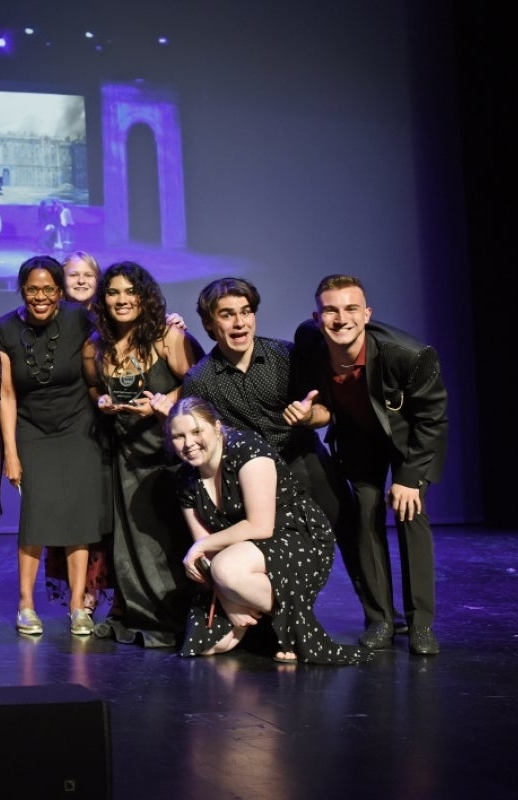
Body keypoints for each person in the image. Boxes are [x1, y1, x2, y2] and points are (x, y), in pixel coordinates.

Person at [286, 275, 448, 656]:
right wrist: (309, 415)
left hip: (407, 440)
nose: (341, 319)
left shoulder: (407, 354)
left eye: (351, 309)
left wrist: (409, 478)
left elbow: (433, 419)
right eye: (331, 310)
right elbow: (322, 406)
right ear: (317, 316)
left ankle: (421, 624)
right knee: (365, 514)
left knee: (411, 515)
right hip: (359, 439)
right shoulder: (309, 341)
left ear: (367, 314)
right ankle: (381, 619)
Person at [182, 277, 354, 603]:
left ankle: (382, 618)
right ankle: (289, 615)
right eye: (227, 314)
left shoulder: (285, 355)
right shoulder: (200, 379)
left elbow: (326, 411)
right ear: (209, 323)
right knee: (273, 551)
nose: (239, 322)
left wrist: (308, 416)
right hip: (257, 482)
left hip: (304, 460)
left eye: (246, 312)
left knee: (350, 533)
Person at [167, 397, 372, 665]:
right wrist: (228, 600)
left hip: (292, 536)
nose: (189, 443)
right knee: (207, 644)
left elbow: (260, 525)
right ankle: (267, 618)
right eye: (178, 436)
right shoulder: (186, 479)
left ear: (216, 427)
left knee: (226, 569)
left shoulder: (247, 449)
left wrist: (203, 552)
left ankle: (293, 628)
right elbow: (204, 548)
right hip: (240, 555)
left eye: (196, 431)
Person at [84, 262, 204, 647]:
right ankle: (143, 614)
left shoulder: (168, 336)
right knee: (134, 540)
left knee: (169, 537)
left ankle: (181, 616)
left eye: (130, 292)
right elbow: (91, 387)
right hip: (128, 453)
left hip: (169, 454)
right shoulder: (96, 346)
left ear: (144, 296)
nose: (122, 300)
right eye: (113, 292)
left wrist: (167, 401)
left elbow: (199, 380)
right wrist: (101, 401)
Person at [0, 255, 107, 636]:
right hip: (31, 429)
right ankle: (26, 604)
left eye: (48, 289)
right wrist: (10, 451)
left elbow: (124, 330)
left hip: (78, 426)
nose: (40, 297)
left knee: (77, 514)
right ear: (22, 290)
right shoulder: (6, 328)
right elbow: (7, 394)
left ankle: (79, 605)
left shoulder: (79, 319)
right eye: (32, 289)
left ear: (59, 291)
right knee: (37, 516)